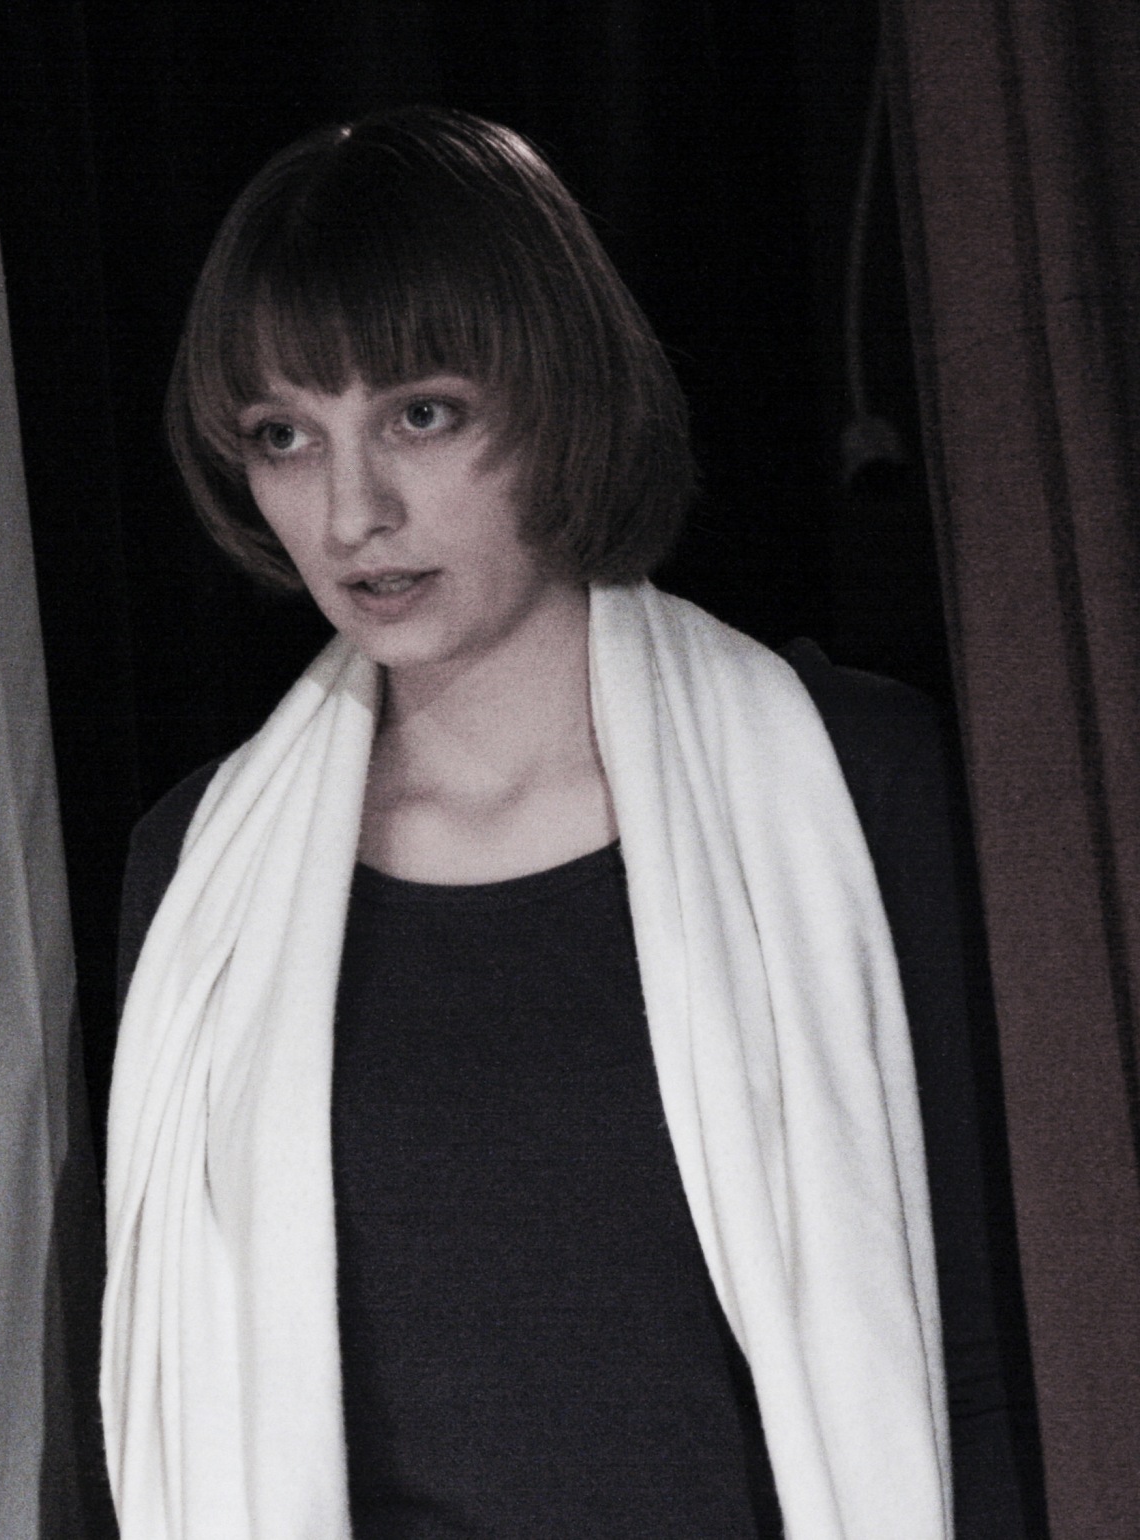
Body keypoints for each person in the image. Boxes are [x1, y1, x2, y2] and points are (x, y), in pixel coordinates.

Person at [99, 107, 1027, 1539]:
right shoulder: (199, 869)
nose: (352, 512)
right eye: (285, 436)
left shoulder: (853, 781)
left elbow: (981, 1356)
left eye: (421, 415)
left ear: (560, 393)